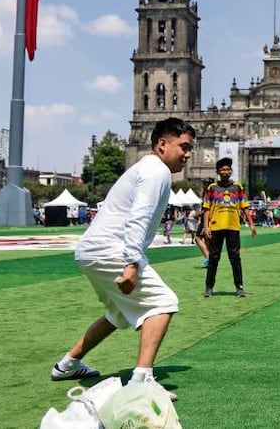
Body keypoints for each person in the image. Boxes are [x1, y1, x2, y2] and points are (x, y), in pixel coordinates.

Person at [50, 117, 194, 393]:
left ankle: (66, 364)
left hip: (93, 251)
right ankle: (142, 381)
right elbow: (137, 219)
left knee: (117, 314)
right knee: (163, 302)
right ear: (162, 145)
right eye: (183, 147)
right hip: (110, 249)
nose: (187, 154)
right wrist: (131, 263)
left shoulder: (148, 168)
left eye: (190, 149)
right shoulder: (156, 171)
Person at [202, 157, 256, 298]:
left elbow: (244, 206)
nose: (226, 172)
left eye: (228, 169)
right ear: (218, 172)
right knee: (214, 258)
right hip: (216, 227)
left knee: (235, 258)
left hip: (233, 227)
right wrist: (206, 227)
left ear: (231, 171)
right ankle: (209, 287)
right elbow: (206, 208)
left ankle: (239, 286)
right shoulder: (212, 188)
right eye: (223, 169)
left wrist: (251, 223)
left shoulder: (237, 187)